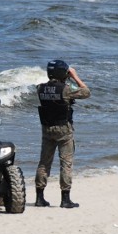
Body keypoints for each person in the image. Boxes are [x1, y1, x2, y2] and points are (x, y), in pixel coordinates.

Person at [35, 59, 90, 208]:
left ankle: (39, 198)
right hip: (63, 129)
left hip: (47, 128)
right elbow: (86, 92)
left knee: (44, 163)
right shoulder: (66, 89)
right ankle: (65, 199)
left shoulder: (40, 88)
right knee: (66, 163)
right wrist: (74, 76)